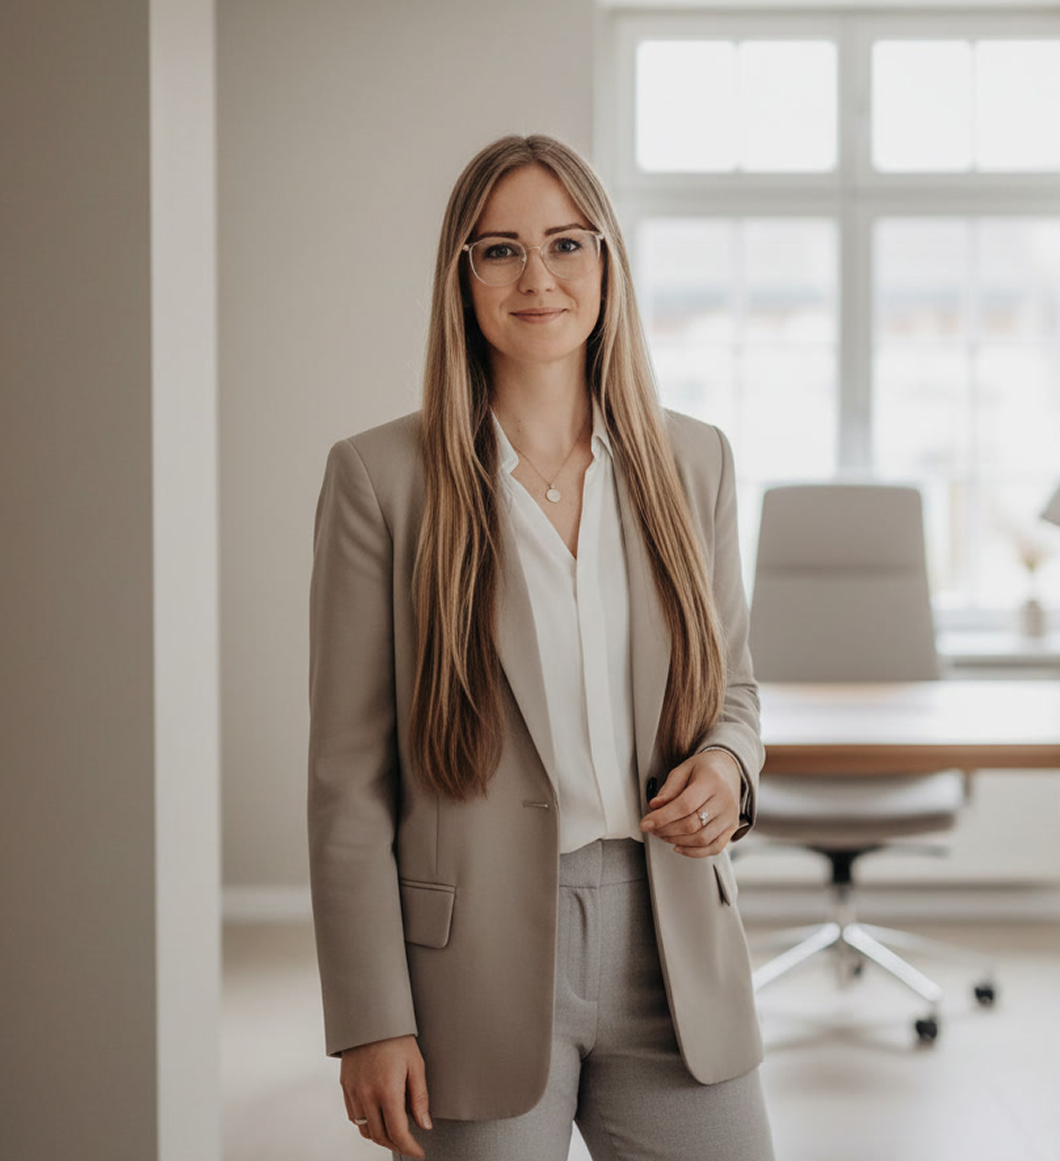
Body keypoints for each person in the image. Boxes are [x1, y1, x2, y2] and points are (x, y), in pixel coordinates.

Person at [307, 133, 775, 1161]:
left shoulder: (695, 462)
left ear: (608, 264)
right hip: (472, 967)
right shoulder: (382, 481)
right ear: (461, 276)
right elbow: (348, 781)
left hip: (674, 944)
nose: (539, 277)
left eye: (568, 243)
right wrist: (370, 1016)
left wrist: (727, 765)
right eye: (500, 250)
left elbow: (733, 692)